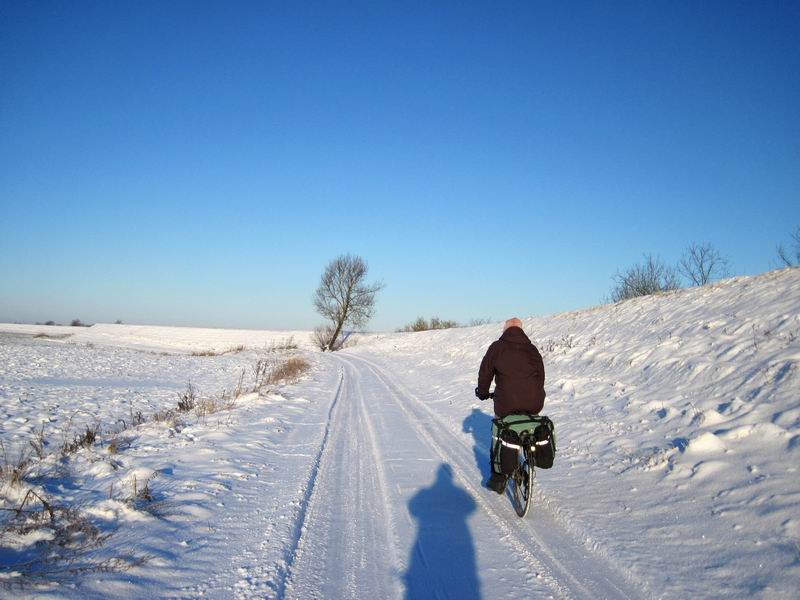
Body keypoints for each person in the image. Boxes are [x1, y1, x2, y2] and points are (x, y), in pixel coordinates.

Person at [475, 317, 545, 494]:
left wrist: (483, 392)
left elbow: (485, 373)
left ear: (505, 330)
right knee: (528, 423)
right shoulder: (532, 349)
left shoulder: (497, 348)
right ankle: (528, 450)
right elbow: (541, 377)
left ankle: (498, 480)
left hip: (506, 403)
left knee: (499, 433)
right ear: (521, 330)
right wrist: (537, 394)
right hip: (534, 402)